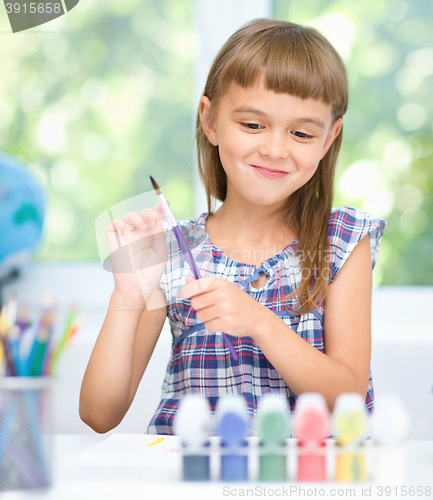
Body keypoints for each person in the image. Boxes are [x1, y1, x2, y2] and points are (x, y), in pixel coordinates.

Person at [79, 19, 386, 435]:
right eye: (253, 125)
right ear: (210, 120)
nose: (275, 148)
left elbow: (348, 402)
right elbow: (100, 414)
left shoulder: (343, 241)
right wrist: (128, 296)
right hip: (195, 478)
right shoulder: (173, 250)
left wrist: (259, 322)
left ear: (329, 138)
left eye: (300, 132)